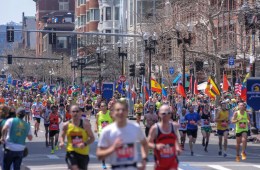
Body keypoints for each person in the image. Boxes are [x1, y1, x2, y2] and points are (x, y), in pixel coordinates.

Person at [96, 99, 148, 170]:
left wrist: (144, 159)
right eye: (118, 110)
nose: (121, 112)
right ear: (113, 112)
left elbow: (144, 143)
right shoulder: (107, 131)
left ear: (127, 112)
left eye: (123, 110)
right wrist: (113, 148)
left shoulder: (135, 128)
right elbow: (99, 155)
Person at [60, 105, 95, 170]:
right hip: (71, 151)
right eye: (73, 111)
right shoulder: (66, 125)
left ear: (80, 113)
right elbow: (62, 136)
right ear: (70, 113)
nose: (75, 113)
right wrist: (61, 142)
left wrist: (84, 144)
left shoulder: (85, 125)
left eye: (77, 111)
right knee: (74, 167)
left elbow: (92, 138)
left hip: (83, 153)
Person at [148, 104, 181, 170]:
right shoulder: (155, 128)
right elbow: (147, 143)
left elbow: (175, 139)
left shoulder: (174, 126)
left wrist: (177, 147)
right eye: (164, 113)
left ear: (170, 114)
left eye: (168, 113)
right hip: (160, 163)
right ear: (159, 114)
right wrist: (156, 146)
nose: (166, 115)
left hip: (172, 162)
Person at [95, 101, 113, 170]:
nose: (102, 107)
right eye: (101, 106)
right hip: (101, 133)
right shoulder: (98, 114)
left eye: (103, 106)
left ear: (106, 107)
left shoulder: (110, 113)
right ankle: (103, 164)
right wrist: (96, 128)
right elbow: (96, 123)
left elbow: (114, 121)